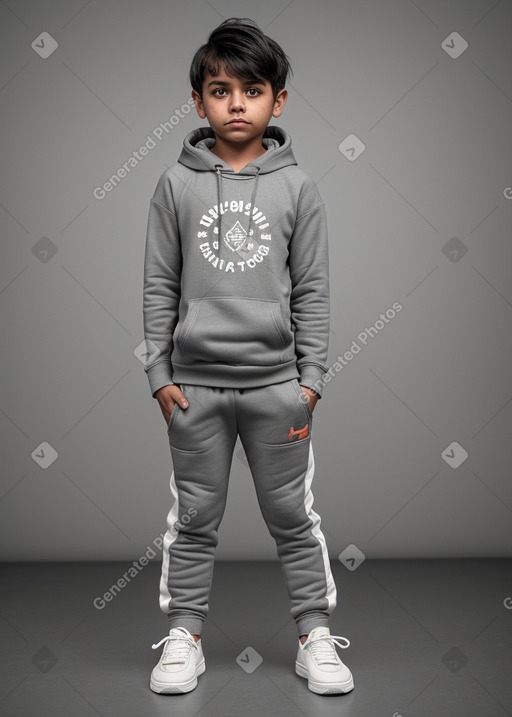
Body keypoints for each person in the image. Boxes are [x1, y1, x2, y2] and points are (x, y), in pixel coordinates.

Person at [142, 17, 354, 696]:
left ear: (278, 101)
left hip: (276, 389)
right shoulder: (176, 186)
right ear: (199, 102)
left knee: (294, 517)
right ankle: (185, 635)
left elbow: (315, 290)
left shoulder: (300, 190)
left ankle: (315, 635)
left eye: (253, 89)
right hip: (195, 391)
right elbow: (158, 285)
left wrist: (311, 381)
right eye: (220, 89)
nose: (237, 103)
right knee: (194, 519)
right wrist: (158, 376)